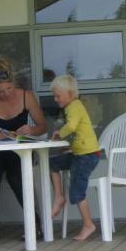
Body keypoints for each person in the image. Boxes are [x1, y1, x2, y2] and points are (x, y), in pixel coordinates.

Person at [0, 56, 48, 244]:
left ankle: (34, 222)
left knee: (16, 176)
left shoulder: (26, 96)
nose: (6, 94)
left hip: (20, 150)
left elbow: (43, 126)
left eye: (9, 88)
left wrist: (30, 130)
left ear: (13, 82)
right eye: (0, 91)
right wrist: (11, 135)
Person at [48, 74, 102, 242]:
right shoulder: (71, 107)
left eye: (58, 96)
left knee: (77, 192)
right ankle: (58, 196)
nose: (56, 99)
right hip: (80, 153)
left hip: (86, 156)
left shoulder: (74, 106)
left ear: (70, 94)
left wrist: (59, 132)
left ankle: (88, 225)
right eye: (54, 96)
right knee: (53, 163)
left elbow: (71, 127)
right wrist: (68, 145)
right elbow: (79, 133)